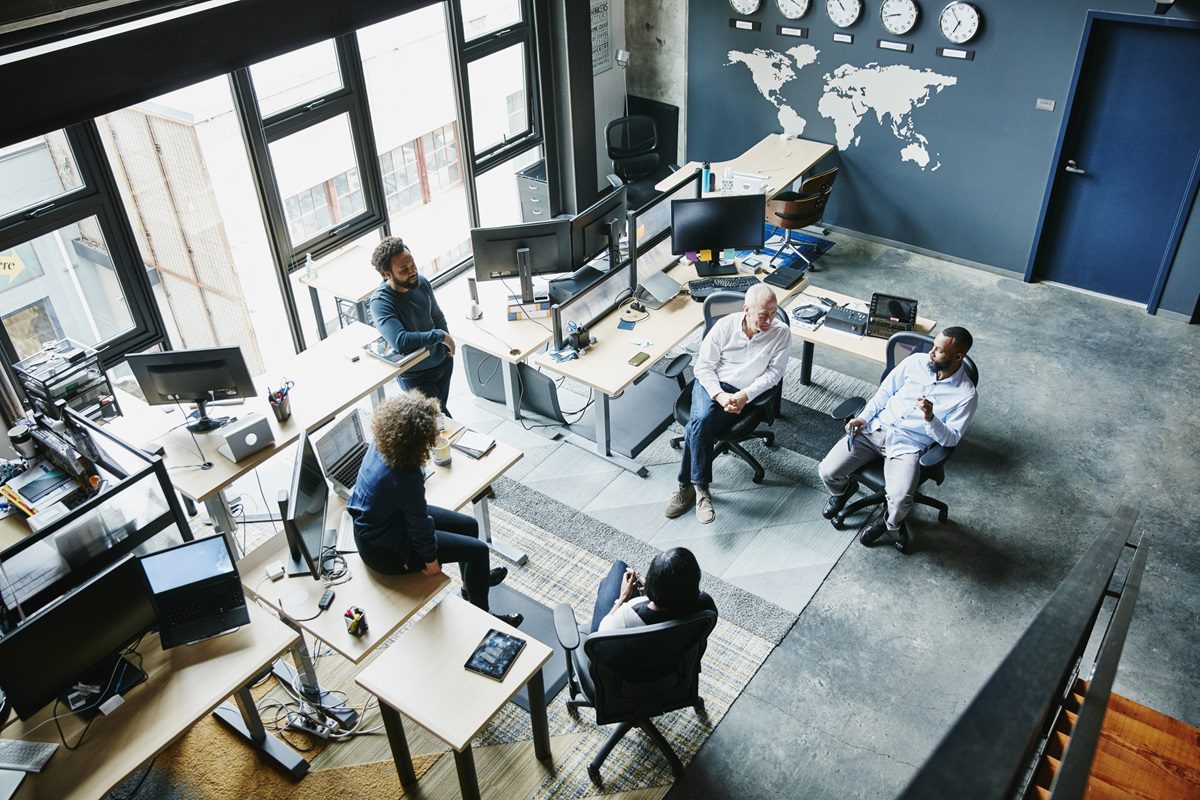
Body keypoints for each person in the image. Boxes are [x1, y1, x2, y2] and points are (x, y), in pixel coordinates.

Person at [347, 393, 522, 626]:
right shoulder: (405, 476)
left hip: (385, 519)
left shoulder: (383, 443)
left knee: (469, 525)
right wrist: (431, 563)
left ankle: (471, 585)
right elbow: (419, 527)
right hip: (384, 550)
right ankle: (483, 618)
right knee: (478, 551)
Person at [818, 326, 978, 545]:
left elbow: (951, 439)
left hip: (907, 446)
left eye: (939, 350)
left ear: (958, 356)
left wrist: (930, 417)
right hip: (875, 429)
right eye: (933, 346)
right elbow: (884, 392)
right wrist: (863, 418)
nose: (931, 353)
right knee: (827, 471)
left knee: (901, 499)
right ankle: (843, 491)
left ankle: (889, 523)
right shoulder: (916, 362)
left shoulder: (965, 395)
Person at [665, 283, 791, 524]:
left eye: (774, 313)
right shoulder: (725, 326)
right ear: (746, 309)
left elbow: (774, 374)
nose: (770, 320)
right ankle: (701, 490)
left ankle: (686, 488)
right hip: (711, 385)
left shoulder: (781, 333)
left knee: (695, 426)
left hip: (744, 392)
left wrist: (745, 395)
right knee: (700, 421)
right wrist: (719, 396)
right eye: (763, 314)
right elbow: (703, 366)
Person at [369, 237, 455, 415]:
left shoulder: (421, 282)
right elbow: (400, 341)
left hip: (441, 362)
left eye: (413, 264)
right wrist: (440, 336)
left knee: (437, 424)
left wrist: (447, 343)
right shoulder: (380, 302)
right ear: (387, 274)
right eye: (404, 269)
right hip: (416, 374)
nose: (413, 271)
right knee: (443, 422)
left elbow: (436, 315)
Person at [589, 547, 716, 633]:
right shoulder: (706, 607)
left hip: (622, 669)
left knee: (619, 567)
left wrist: (622, 599)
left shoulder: (625, 617)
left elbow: (600, 636)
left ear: (650, 583)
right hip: (672, 667)